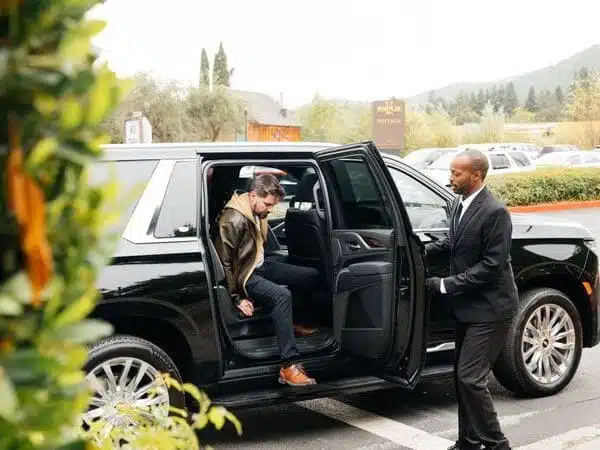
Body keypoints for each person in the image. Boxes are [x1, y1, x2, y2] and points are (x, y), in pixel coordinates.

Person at [424, 149, 518, 450]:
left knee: (470, 378)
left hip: (491, 309)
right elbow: (454, 240)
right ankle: (468, 442)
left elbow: (491, 267)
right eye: (451, 171)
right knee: (461, 378)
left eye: (456, 173)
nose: (450, 178)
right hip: (467, 309)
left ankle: (497, 444)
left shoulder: (495, 212)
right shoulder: (457, 203)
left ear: (476, 175)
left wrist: (445, 285)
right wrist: (418, 249)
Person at [214, 173, 319, 386]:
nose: (270, 209)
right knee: (282, 296)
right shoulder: (233, 218)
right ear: (253, 195)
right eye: (268, 204)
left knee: (310, 276)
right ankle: (288, 366)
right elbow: (226, 262)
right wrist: (237, 297)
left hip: (259, 265)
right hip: (246, 274)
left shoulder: (255, 211)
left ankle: (291, 323)